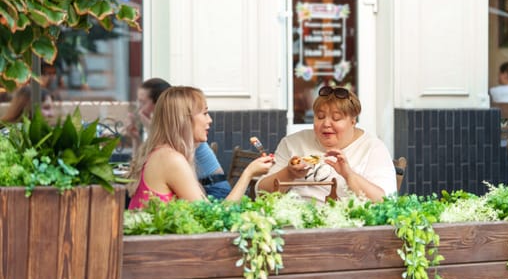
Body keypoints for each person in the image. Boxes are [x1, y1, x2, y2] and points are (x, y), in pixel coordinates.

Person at [126, 86, 274, 209]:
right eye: (205, 113)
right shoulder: (171, 159)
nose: (210, 120)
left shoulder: (162, 152)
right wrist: (249, 173)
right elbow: (215, 218)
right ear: (184, 119)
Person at [255, 85, 396, 203]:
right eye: (320, 117)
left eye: (336, 118)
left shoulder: (372, 147)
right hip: (292, 226)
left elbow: (385, 202)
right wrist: (289, 173)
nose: (326, 124)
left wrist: (349, 175)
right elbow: (261, 194)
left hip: (348, 229)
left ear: (353, 121)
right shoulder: (293, 143)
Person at [124, 78, 233, 199]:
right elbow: (143, 157)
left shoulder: (180, 137)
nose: (139, 108)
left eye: (142, 102)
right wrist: (136, 138)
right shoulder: (167, 152)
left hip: (212, 187)